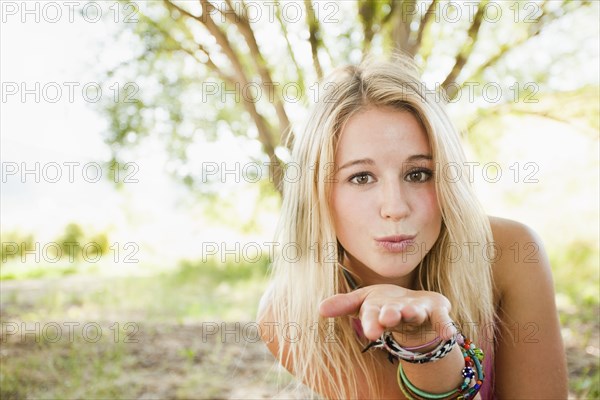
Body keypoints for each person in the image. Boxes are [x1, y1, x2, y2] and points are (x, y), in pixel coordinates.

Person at [256, 55, 567, 399]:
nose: (395, 208)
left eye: (418, 174)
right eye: (361, 177)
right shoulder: (290, 313)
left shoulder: (511, 252)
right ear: (319, 193)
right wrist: (425, 345)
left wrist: (428, 341)